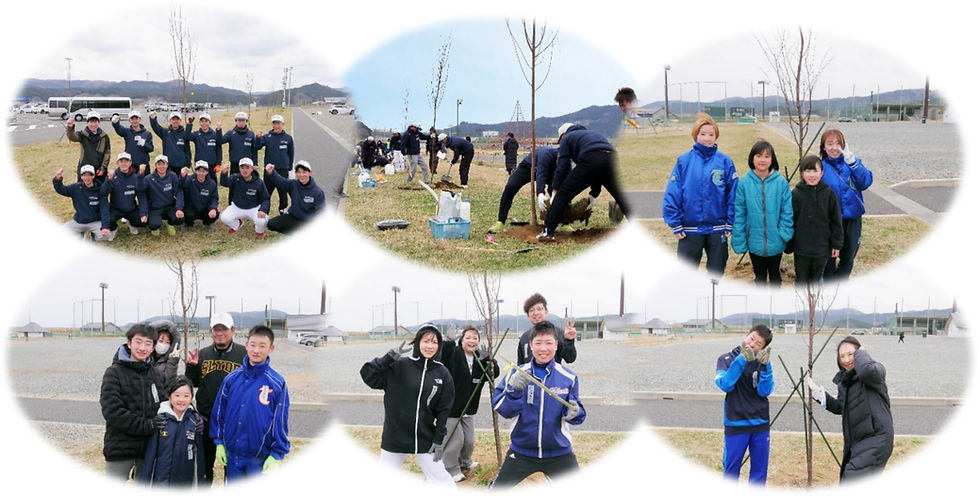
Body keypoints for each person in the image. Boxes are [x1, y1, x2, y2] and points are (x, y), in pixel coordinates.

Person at [489, 321, 586, 489]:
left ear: (556, 345)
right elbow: (501, 408)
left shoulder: (568, 377)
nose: (543, 349)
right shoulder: (516, 372)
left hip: (559, 453)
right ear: (531, 345)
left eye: (548, 343)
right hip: (521, 452)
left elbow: (577, 413)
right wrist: (513, 390)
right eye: (538, 343)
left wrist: (576, 412)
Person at [359, 324, 455, 485]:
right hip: (395, 435)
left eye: (435, 342)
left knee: (442, 480)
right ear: (417, 342)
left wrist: (439, 439)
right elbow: (368, 375)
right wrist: (388, 358)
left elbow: (444, 410)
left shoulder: (442, 373)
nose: (430, 346)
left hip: (425, 437)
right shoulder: (399, 365)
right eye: (426, 341)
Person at [210, 325, 290, 482]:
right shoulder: (231, 379)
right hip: (233, 457)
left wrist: (276, 454)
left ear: (271, 348)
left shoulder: (277, 383)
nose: (256, 350)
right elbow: (219, 413)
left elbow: (280, 421)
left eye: (262, 346)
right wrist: (219, 442)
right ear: (246, 345)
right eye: (253, 345)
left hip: (259, 459)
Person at [807, 336, 893, 481]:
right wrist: (818, 392)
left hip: (876, 439)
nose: (846, 360)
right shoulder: (845, 382)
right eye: (842, 356)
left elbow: (866, 371)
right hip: (858, 443)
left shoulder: (874, 372)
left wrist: (862, 353)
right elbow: (841, 407)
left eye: (851, 354)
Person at [662, 113, 738, 276]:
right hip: (690, 228)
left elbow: (733, 194)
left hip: (717, 228)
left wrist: (730, 221)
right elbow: (673, 193)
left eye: (711, 134)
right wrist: (675, 223)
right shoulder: (683, 161)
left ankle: (712, 292)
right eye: (703, 134)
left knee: (716, 272)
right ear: (696, 135)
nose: (707, 138)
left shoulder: (725, 161)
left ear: (716, 136)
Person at [537, 123, 629, 241]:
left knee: (563, 194)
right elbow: (598, 171)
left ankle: (547, 232)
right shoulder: (593, 134)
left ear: (563, 134)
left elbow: (562, 166)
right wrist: (593, 194)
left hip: (590, 159)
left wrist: (555, 190)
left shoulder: (567, 138)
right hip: (611, 159)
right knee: (621, 197)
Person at [185, 312, 247, 483]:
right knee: (204, 468)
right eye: (216, 329)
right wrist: (191, 367)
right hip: (205, 420)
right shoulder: (203, 354)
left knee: (233, 469)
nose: (220, 333)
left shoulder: (244, 354)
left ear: (233, 330)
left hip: (233, 422)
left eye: (224, 329)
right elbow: (192, 383)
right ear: (211, 331)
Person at [100, 323, 167, 481]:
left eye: (148, 343)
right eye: (138, 342)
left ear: (153, 347)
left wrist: (191, 417)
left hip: (149, 447)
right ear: (129, 343)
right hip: (120, 446)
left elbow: (166, 404)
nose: (142, 348)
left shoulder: (156, 375)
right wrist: (147, 425)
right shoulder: (114, 373)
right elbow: (112, 411)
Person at [714, 324, 774, 485]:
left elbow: (765, 391)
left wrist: (766, 366)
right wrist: (741, 360)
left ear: (763, 348)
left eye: (758, 344)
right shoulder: (725, 359)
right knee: (731, 470)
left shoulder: (762, 361)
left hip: (760, 423)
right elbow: (725, 385)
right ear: (747, 334)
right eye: (752, 338)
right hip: (736, 422)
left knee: (759, 472)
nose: (752, 344)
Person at [440, 325, 499, 482]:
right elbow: (442, 358)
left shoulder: (480, 356)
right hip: (452, 407)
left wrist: (488, 359)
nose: (472, 341)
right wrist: (448, 342)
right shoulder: (454, 353)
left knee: (469, 441)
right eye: (468, 337)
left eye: (475, 338)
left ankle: (465, 462)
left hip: (469, 407)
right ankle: (450, 469)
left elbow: (493, 374)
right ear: (461, 340)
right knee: (455, 440)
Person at [731, 140, 794, 287]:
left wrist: (783, 233)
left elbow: (787, 211)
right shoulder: (744, 183)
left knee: (775, 276)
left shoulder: (781, 183)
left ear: (772, 159)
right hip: (754, 241)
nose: (762, 160)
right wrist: (740, 238)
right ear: (752, 158)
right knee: (759, 276)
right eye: (759, 156)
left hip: (776, 240)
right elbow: (739, 214)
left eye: (767, 156)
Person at [818, 129, 873, 281]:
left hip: (852, 219)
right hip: (830, 222)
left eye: (838, 143)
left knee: (848, 257)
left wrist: (853, 163)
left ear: (843, 145)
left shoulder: (852, 163)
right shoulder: (820, 167)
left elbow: (865, 182)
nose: (834, 148)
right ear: (823, 147)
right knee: (828, 258)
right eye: (830, 144)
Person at [139, 376, 206, 486]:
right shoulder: (161, 421)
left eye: (186, 396)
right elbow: (150, 457)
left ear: (191, 398)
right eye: (177, 395)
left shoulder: (195, 423)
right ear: (169, 397)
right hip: (161, 482)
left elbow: (198, 459)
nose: (181, 399)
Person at [789, 155, 843, 285]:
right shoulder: (796, 194)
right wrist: (789, 244)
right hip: (801, 249)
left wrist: (836, 244)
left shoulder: (829, 194)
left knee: (816, 281)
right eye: (808, 171)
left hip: (822, 248)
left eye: (815, 171)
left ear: (822, 173)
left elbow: (836, 221)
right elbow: (790, 220)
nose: (812, 175)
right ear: (802, 173)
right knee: (801, 280)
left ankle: (814, 298)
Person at [489, 146, 558, 234]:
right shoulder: (546, 154)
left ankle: (565, 220)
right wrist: (540, 193)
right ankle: (500, 222)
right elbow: (541, 174)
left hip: (549, 172)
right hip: (528, 167)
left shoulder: (565, 160)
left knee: (560, 194)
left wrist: (555, 193)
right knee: (510, 187)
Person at [265, 161, 326, 234]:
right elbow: (281, 182)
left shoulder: (318, 192)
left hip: (307, 222)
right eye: (299, 172)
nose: (301, 175)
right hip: (293, 217)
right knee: (271, 224)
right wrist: (272, 172)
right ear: (296, 173)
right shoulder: (293, 184)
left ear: (310, 173)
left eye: (304, 172)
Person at [516, 293, 577, 366]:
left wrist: (569, 341)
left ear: (546, 311)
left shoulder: (557, 333)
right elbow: (520, 364)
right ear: (528, 315)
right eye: (531, 310)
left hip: (552, 373)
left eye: (539, 309)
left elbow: (570, 359)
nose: (535, 313)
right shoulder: (525, 337)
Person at [52, 164, 110, 241]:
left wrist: (105, 227)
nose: (87, 178)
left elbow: (104, 209)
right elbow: (61, 190)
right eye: (84, 175)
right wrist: (58, 178)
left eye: (89, 175)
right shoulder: (75, 187)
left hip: (95, 222)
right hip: (79, 222)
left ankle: (94, 236)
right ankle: (80, 233)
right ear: (81, 176)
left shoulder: (101, 190)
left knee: (107, 236)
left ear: (93, 176)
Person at [219, 158, 271, 237]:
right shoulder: (235, 178)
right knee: (224, 217)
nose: (244, 170)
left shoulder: (259, 182)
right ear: (239, 168)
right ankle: (237, 224)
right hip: (237, 207)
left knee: (262, 221)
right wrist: (224, 173)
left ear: (252, 169)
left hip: (254, 208)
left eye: (247, 168)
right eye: (242, 168)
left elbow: (266, 199)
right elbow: (224, 183)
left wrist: (263, 210)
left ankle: (259, 231)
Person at [101, 152, 148, 238]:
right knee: (108, 221)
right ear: (117, 163)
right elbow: (104, 193)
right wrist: (108, 179)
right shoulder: (112, 176)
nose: (124, 164)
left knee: (143, 222)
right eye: (121, 161)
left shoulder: (135, 177)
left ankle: (131, 223)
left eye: (126, 161)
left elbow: (141, 196)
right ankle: (114, 228)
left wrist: (143, 213)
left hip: (131, 209)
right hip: (116, 209)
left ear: (130, 163)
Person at [257, 114, 295, 214]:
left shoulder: (288, 138)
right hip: (269, 171)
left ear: (283, 124)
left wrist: (289, 167)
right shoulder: (267, 137)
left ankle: (283, 210)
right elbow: (257, 147)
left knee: (283, 193)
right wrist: (258, 138)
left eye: (278, 123)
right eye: (274, 123)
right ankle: (264, 212)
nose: (276, 126)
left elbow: (291, 153)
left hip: (282, 171)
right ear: (272, 124)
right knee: (266, 193)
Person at [144, 155, 184, 236]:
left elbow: (179, 192)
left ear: (167, 165)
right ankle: (155, 227)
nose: (161, 166)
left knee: (180, 218)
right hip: (155, 208)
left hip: (169, 206)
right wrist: (144, 212)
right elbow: (142, 193)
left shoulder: (172, 175)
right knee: (153, 225)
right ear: (155, 165)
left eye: (164, 164)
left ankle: (170, 224)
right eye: (159, 164)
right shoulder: (148, 178)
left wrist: (179, 208)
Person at [66, 110, 110, 182]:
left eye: (95, 122)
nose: (93, 124)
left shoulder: (104, 137)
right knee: (82, 188)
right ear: (87, 123)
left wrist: (103, 168)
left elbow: (107, 154)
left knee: (100, 188)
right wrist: (70, 127)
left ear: (99, 123)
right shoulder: (82, 134)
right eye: (91, 122)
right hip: (84, 169)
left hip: (99, 171)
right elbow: (72, 137)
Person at [180, 161, 219, 232]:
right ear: (195, 171)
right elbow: (180, 186)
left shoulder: (212, 183)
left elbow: (214, 199)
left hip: (205, 208)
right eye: (199, 171)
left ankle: (207, 223)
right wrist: (182, 177)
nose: (201, 173)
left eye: (203, 171)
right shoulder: (189, 179)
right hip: (191, 208)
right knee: (188, 214)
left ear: (207, 172)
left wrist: (213, 208)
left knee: (215, 214)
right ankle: (188, 224)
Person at [111, 110, 154, 175]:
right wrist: (115, 123)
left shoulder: (147, 133)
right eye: (132, 119)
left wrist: (144, 144)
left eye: (136, 118)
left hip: (143, 165)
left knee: (145, 181)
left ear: (140, 119)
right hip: (130, 165)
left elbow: (151, 148)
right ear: (129, 120)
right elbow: (119, 128)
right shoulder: (127, 131)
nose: (134, 121)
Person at [187, 113, 223, 182]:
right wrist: (189, 124)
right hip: (199, 165)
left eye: (206, 121)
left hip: (211, 165)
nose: (204, 123)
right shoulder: (196, 134)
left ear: (210, 122)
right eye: (202, 121)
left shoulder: (214, 135)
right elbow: (187, 136)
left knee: (212, 184)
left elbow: (219, 149)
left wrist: (218, 164)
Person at [221, 112, 259, 177]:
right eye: (239, 120)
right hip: (235, 165)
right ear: (236, 121)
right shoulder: (230, 133)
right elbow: (221, 141)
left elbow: (254, 150)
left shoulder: (251, 134)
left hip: (247, 165)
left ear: (246, 121)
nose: (241, 123)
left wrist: (255, 163)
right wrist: (218, 130)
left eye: (243, 120)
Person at [147, 320, 180, 385]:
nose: (163, 344)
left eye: (167, 342)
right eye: (161, 341)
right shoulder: (145, 357)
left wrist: (173, 362)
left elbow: (169, 382)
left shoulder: (170, 361)